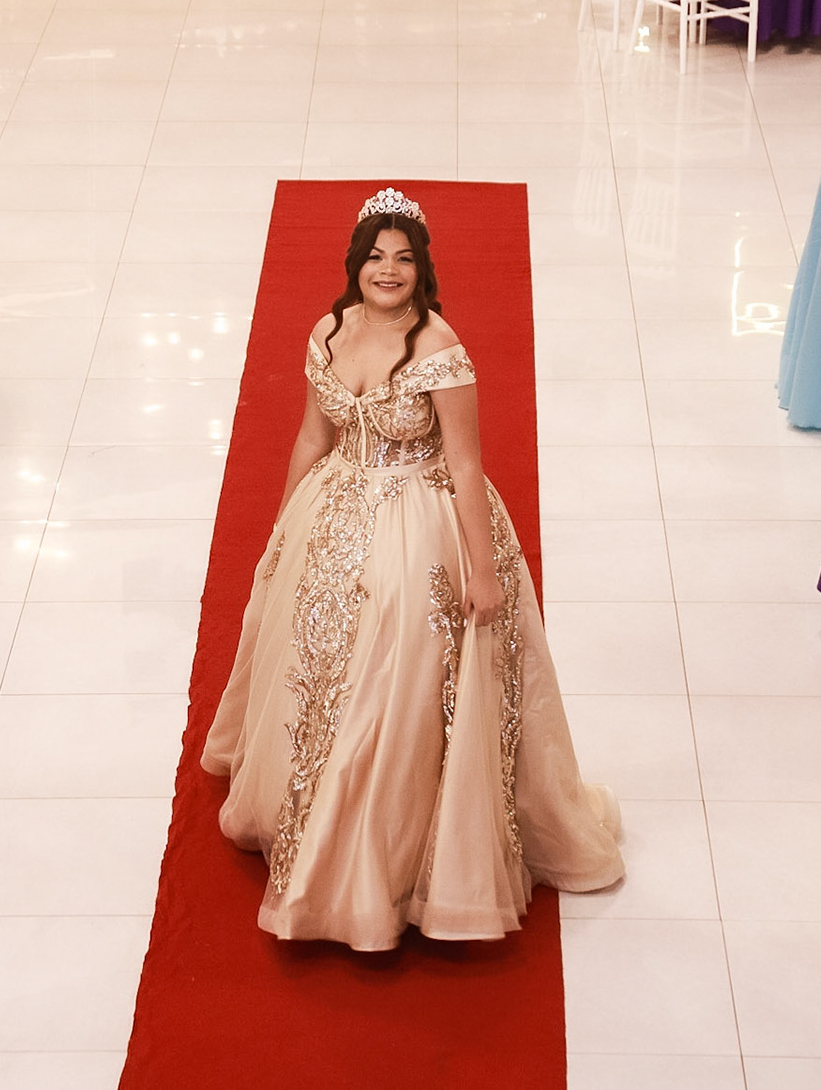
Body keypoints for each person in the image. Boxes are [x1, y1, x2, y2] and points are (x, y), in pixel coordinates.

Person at [201, 187, 625, 953]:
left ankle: (383, 859)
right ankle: (311, 813)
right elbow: (312, 436)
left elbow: (464, 464)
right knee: (317, 662)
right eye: (375, 257)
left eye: (402, 258)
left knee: (393, 680)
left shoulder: (439, 348)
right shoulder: (329, 331)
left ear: (421, 268)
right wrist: (283, 526)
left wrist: (483, 571)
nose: (387, 270)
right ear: (355, 264)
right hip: (336, 507)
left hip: (422, 519)